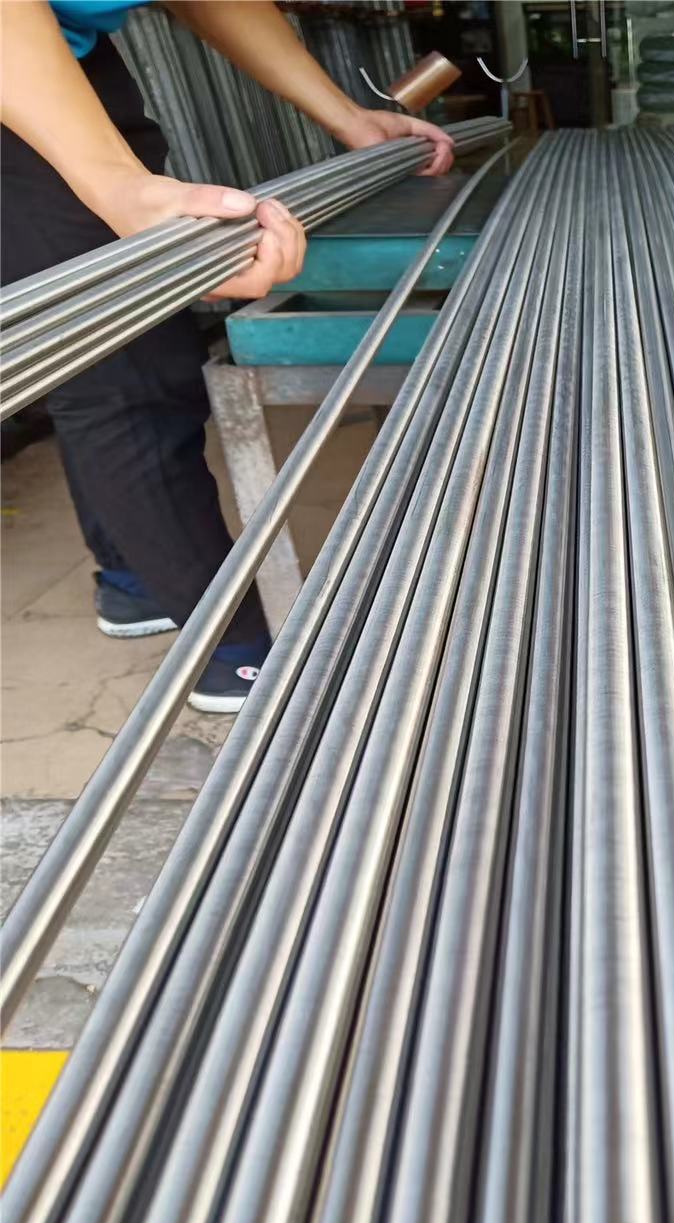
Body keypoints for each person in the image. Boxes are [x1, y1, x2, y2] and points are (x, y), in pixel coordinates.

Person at [0, 0, 454, 711]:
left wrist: (348, 118)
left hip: (65, 55)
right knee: (129, 369)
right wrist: (123, 190)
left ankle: (132, 577)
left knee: (110, 349)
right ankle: (229, 651)